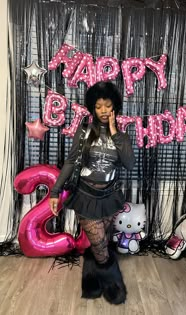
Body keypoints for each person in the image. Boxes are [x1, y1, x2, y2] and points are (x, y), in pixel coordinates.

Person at [49, 81, 136, 304]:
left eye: (107, 106)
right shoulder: (85, 130)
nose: (103, 111)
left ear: (114, 106)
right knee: (99, 243)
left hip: (110, 196)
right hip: (85, 195)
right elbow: (70, 162)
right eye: (98, 106)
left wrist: (115, 132)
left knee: (101, 242)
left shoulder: (123, 137)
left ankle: (91, 278)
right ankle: (113, 283)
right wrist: (55, 191)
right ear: (92, 108)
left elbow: (128, 163)